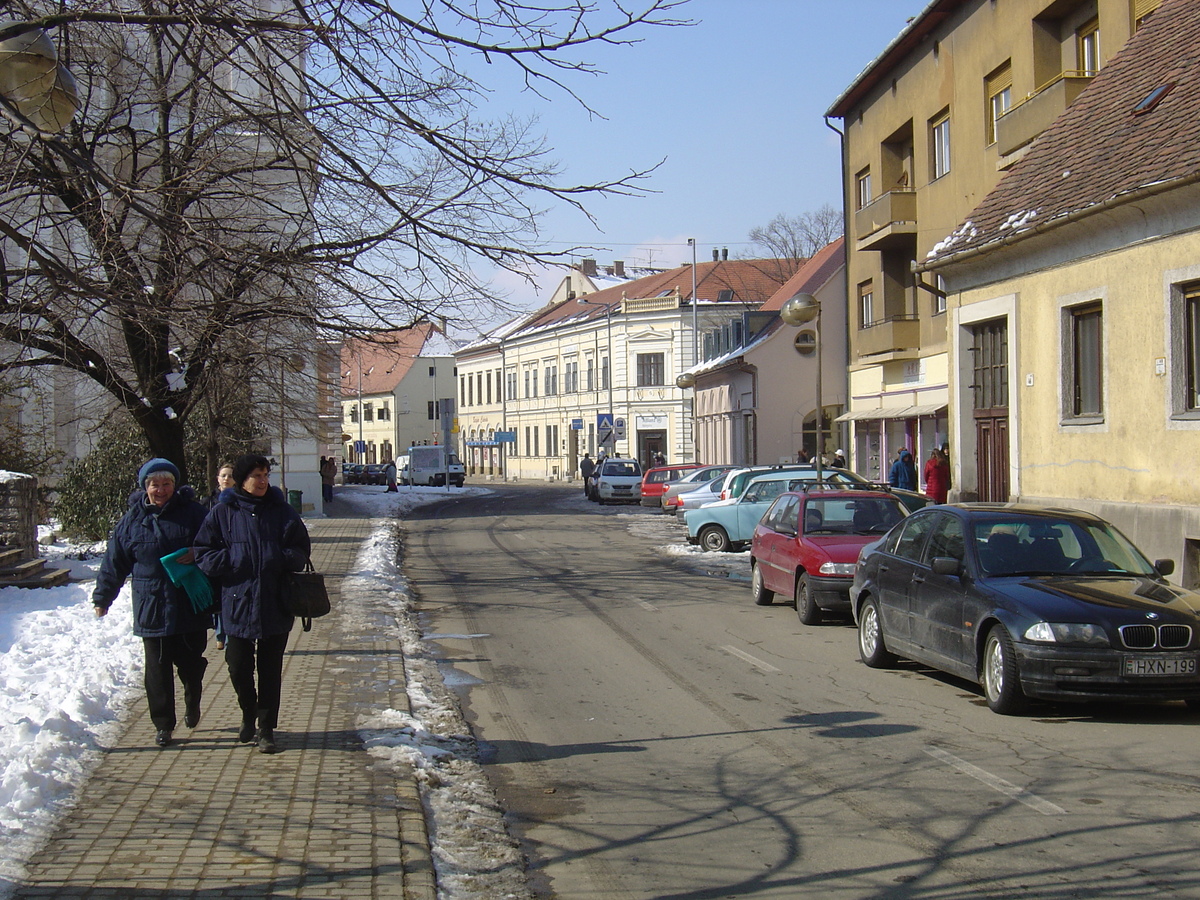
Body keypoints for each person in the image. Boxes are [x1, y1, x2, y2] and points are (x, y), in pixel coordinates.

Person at [195, 453, 311, 754]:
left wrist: (280, 557)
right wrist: (231, 560)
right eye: (256, 476)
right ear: (242, 480)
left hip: (275, 601)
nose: (262, 481)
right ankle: (248, 710)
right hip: (238, 601)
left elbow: (300, 548)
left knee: (270, 670)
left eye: (265, 475)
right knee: (237, 666)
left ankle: (266, 728)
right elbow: (203, 551)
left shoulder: (281, 511)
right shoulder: (224, 512)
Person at [93, 458, 212, 748]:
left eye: (166, 484)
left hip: (189, 600)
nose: (161, 489)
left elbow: (216, 543)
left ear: (175, 485)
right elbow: (115, 562)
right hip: (151, 604)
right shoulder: (133, 520)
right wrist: (103, 597)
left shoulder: (194, 514)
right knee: (157, 669)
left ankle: (192, 693)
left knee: (190, 661)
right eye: (155, 484)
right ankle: (163, 725)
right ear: (145, 487)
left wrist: (198, 552)